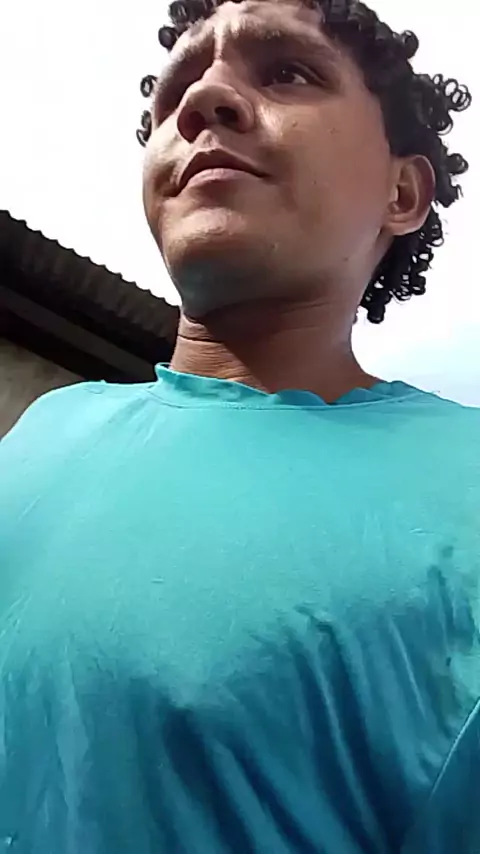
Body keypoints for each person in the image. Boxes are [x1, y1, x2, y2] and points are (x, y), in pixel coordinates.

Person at [0, 0, 478, 850]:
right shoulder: (44, 431)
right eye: (177, 88)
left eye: (288, 71)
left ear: (402, 192)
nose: (203, 99)